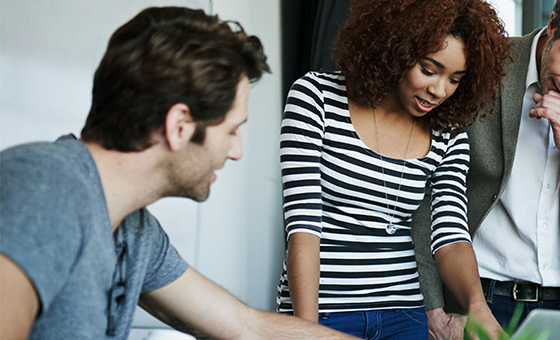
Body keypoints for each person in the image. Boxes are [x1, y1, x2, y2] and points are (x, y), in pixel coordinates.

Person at [0, 7, 356, 340]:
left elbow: (244, 325)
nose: (237, 151)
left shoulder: (133, 230)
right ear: (180, 126)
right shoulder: (45, 188)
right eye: (232, 130)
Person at [409, 0, 560, 338]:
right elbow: (428, 187)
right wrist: (431, 305)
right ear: (553, 25)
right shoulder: (486, 61)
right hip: (476, 295)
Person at [274, 0, 510, 339]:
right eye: (429, 70)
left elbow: (450, 235)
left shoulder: (448, 133)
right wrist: (308, 331)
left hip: (404, 315)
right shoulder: (317, 98)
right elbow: (303, 228)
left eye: (455, 79)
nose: (439, 90)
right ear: (396, 48)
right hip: (322, 311)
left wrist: (477, 307)